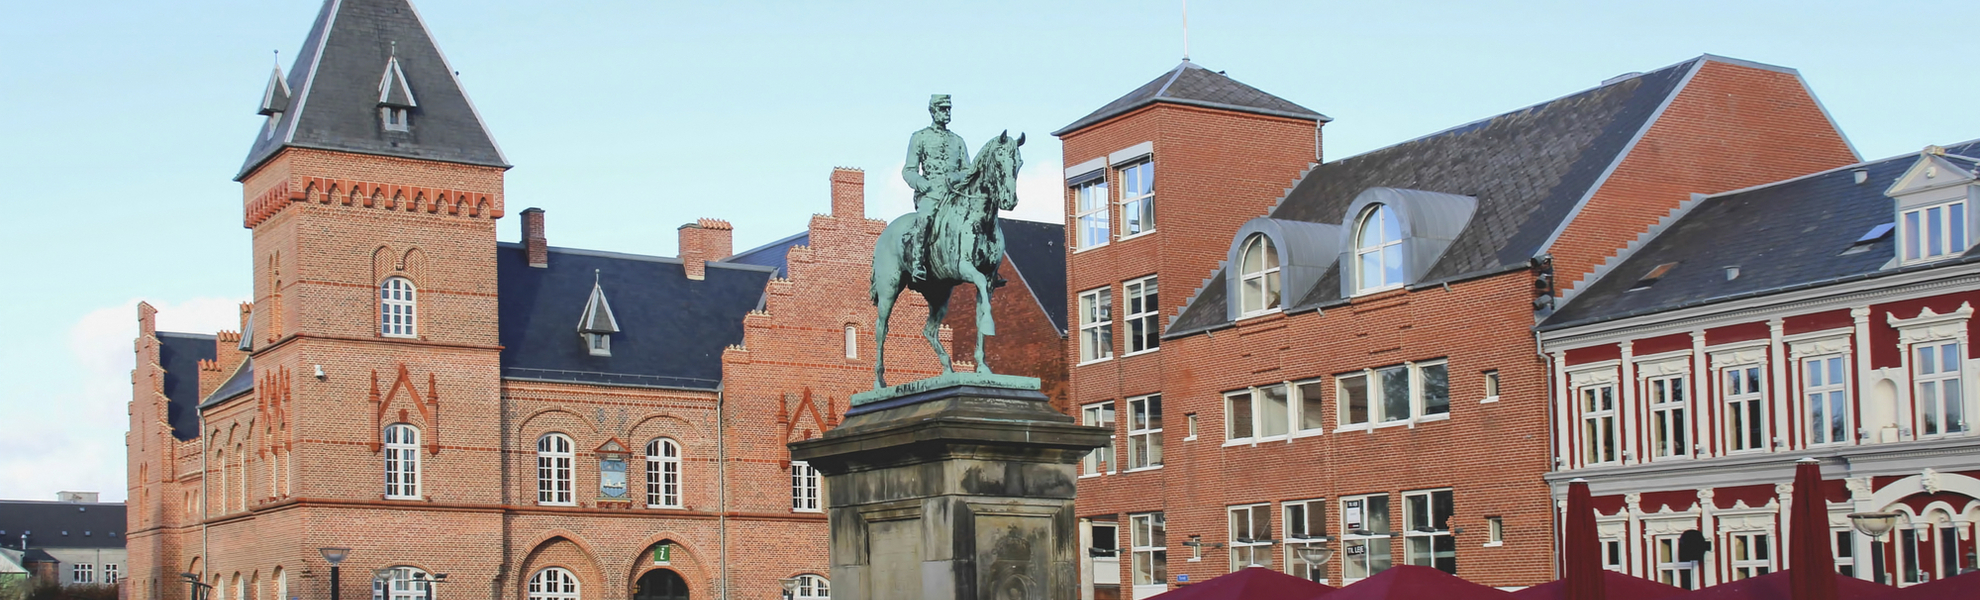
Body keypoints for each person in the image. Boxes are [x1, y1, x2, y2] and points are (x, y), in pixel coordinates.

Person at [901, 94, 971, 280]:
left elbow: (968, 171)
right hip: (931, 193)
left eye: (949, 109)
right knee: (924, 219)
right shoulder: (920, 137)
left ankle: (984, 261)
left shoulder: (958, 141)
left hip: (955, 194)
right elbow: (908, 170)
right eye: (942, 109)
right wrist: (920, 183)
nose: (947, 113)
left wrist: (957, 176)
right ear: (933, 111)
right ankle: (917, 264)